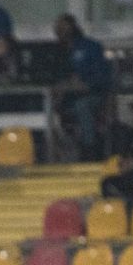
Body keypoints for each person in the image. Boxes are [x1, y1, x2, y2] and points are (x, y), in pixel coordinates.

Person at [53, 14, 113, 160]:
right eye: (58, 28)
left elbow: (103, 77)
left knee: (82, 106)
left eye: (64, 27)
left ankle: (89, 150)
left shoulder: (91, 47)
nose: (62, 31)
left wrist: (84, 85)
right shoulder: (55, 52)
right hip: (64, 99)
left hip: (93, 95)